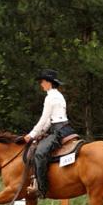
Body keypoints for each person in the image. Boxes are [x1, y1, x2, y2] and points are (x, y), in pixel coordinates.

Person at [24, 69, 75, 198]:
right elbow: (48, 121)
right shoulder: (58, 95)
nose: (41, 84)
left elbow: (44, 118)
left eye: (42, 81)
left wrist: (32, 134)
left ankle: (42, 188)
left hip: (58, 131)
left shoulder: (50, 97)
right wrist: (39, 133)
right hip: (62, 127)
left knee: (40, 153)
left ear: (48, 82)